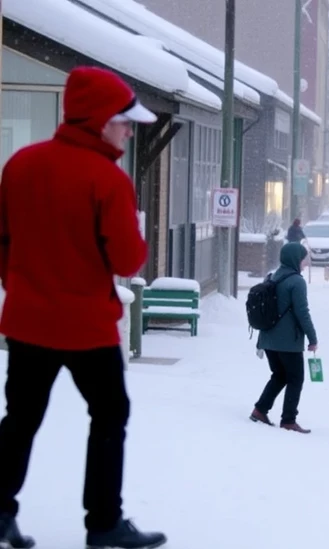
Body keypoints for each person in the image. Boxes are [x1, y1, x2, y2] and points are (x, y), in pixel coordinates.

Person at [0, 66, 166, 549]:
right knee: (110, 416)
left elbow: (3, 241)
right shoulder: (107, 180)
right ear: (99, 121)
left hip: (28, 321)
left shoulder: (20, 165)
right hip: (87, 328)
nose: (129, 129)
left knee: (21, 418)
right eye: (124, 121)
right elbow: (128, 258)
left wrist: (23, 284)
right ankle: (103, 523)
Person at [249, 242, 318, 434]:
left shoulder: (272, 277)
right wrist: (312, 339)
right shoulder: (296, 282)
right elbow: (302, 313)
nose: (305, 263)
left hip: (268, 338)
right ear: (296, 258)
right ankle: (288, 420)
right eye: (303, 258)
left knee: (279, 375)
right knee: (296, 378)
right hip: (288, 342)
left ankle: (260, 409)